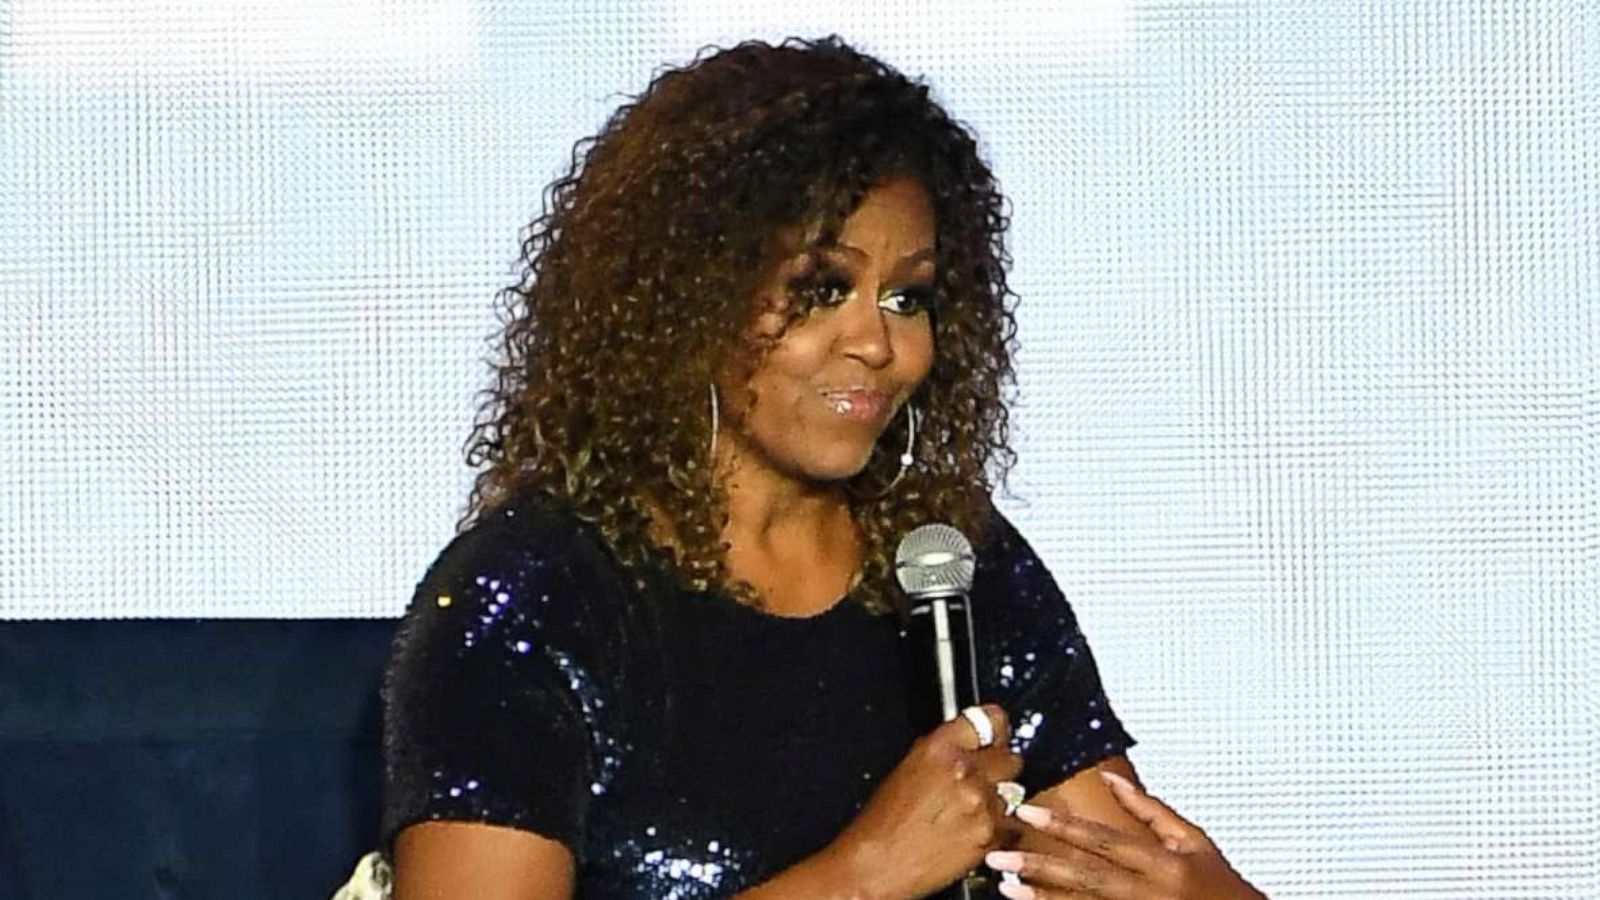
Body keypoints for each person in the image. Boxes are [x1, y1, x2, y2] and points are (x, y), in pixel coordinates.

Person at [374, 35, 1265, 900]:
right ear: (688, 296)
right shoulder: (535, 595)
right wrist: (864, 876)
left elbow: (1112, 864)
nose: (878, 343)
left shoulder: (951, 564)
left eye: (906, 297)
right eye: (822, 288)